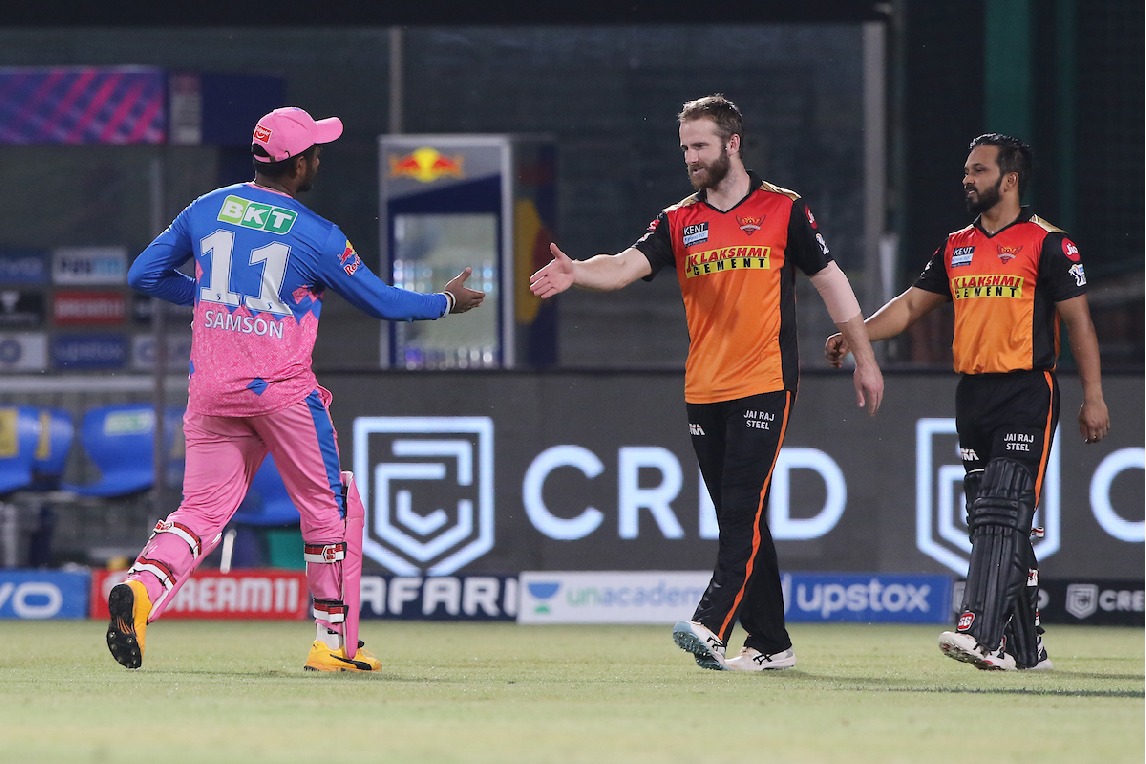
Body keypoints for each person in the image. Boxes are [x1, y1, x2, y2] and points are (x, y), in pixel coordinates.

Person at [107, 106, 485, 672]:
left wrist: (211, 296)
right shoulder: (317, 236)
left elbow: (144, 275)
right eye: (316, 152)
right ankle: (334, 644)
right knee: (332, 506)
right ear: (299, 163)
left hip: (211, 391)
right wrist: (446, 302)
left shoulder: (207, 208)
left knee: (199, 513)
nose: (320, 160)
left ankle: (140, 590)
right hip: (281, 393)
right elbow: (382, 301)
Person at [530, 94, 884, 671]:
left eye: (700, 146)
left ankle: (710, 623)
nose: (691, 157)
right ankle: (771, 643)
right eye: (685, 148)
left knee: (742, 509)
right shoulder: (678, 220)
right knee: (742, 519)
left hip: (765, 380)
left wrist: (866, 358)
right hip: (704, 389)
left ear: (732, 144)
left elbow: (832, 281)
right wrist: (578, 272)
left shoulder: (784, 209)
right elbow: (622, 266)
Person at [826, 133, 1109, 671]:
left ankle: (979, 632)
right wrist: (857, 336)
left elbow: (1079, 324)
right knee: (991, 521)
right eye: (966, 171)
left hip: (1027, 390)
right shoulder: (957, 245)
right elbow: (910, 307)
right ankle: (1026, 650)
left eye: (979, 170)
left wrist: (1092, 397)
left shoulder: (1049, 243)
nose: (967, 179)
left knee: (1002, 510)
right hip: (973, 396)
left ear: (1010, 179)